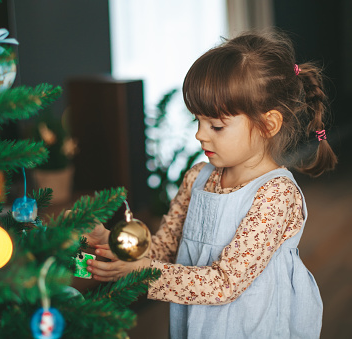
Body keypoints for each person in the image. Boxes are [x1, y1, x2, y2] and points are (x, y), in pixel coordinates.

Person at [85, 30, 337, 338]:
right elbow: (165, 247)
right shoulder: (198, 177)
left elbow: (225, 283)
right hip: (196, 325)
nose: (201, 135)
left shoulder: (275, 195)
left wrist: (143, 275)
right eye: (198, 121)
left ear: (268, 124)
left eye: (216, 125)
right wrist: (113, 243)